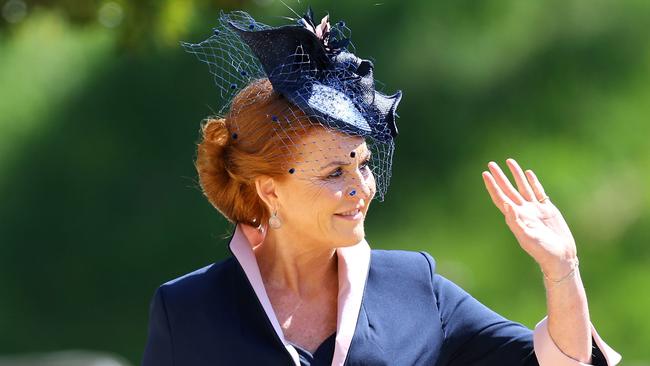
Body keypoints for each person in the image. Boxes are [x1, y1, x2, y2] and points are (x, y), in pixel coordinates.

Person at [142, 7, 622, 366]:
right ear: (269, 190)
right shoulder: (187, 310)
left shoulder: (415, 286)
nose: (360, 189)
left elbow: (559, 361)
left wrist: (562, 270)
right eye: (334, 173)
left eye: (364, 166)